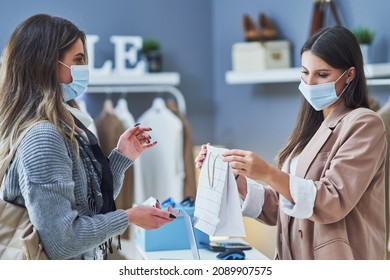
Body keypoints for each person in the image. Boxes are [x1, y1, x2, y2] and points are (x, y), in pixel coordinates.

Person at [196, 26, 387, 260]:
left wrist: (266, 172)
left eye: (322, 74)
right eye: (305, 72)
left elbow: (332, 200)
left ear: (349, 75)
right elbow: (285, 205)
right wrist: (235, 174)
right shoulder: (311, 128)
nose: (310, 82)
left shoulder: (365, 124)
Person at [0, 14, 177, 260]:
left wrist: (122, 157)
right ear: (46, 64)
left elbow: (89, 206)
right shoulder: (43, 137)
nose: (84, 69)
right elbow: (63, 242)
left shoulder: (67, 126)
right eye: (78, 60)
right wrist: (130, 216)